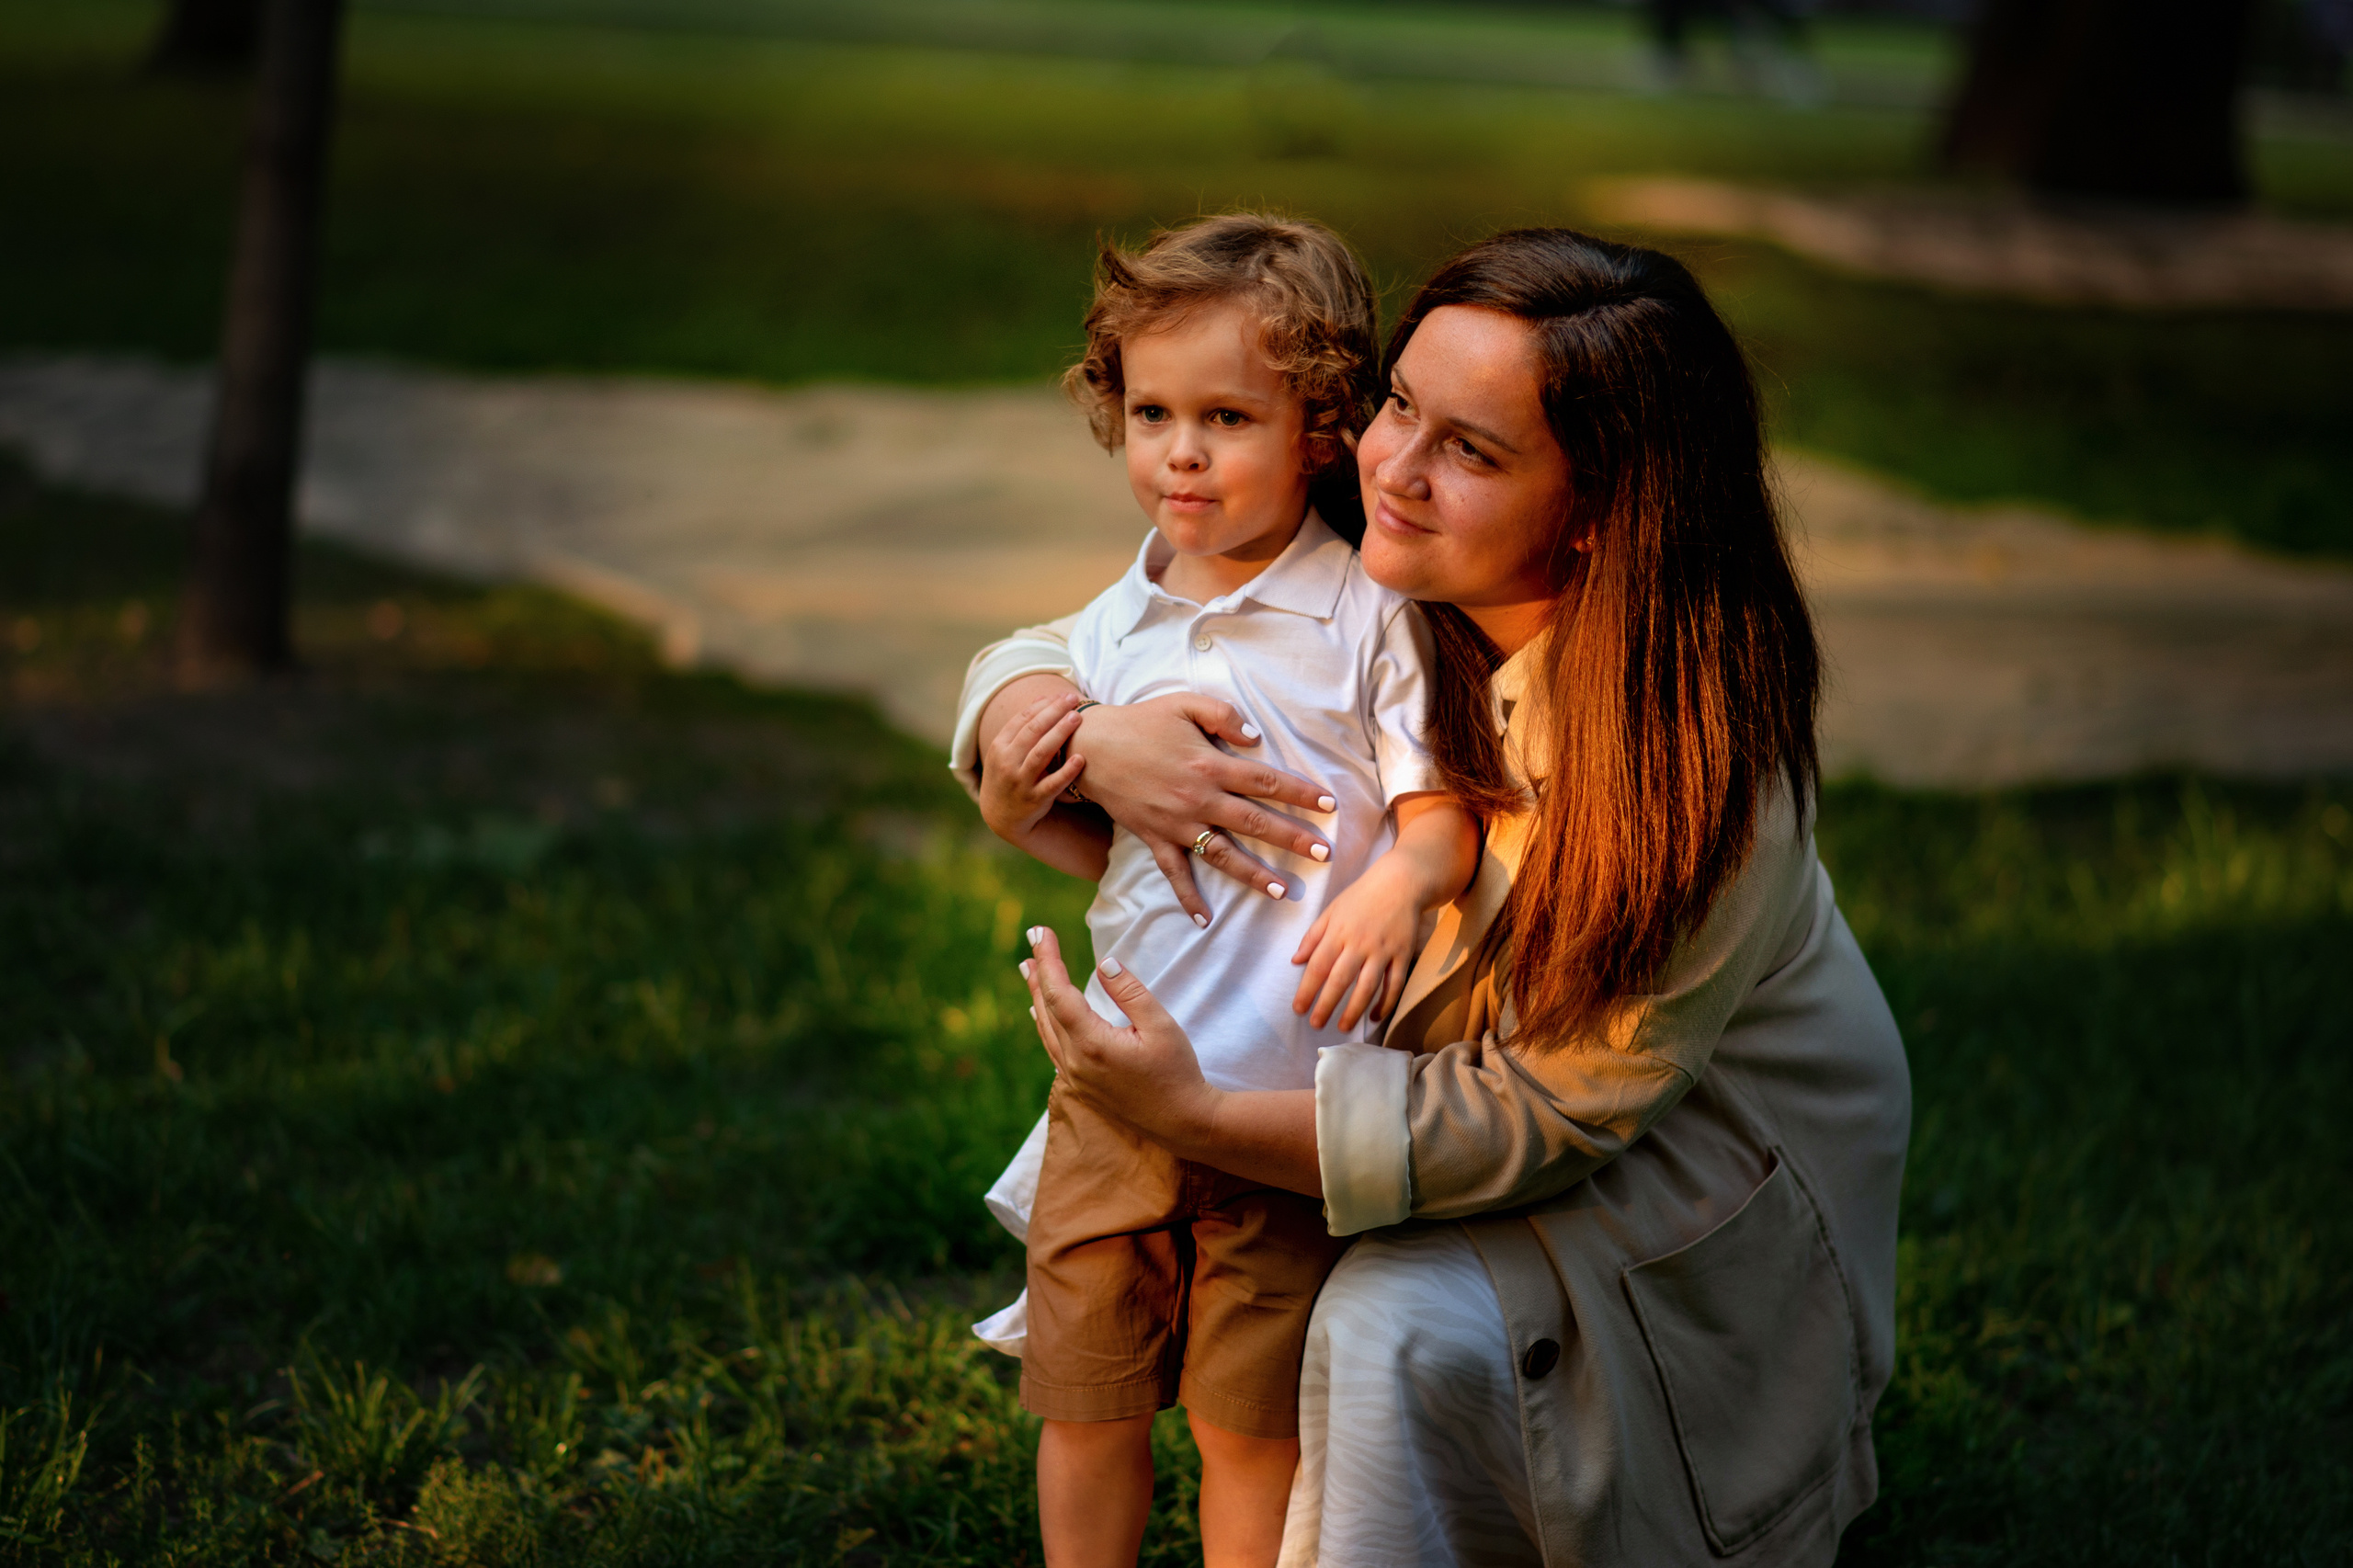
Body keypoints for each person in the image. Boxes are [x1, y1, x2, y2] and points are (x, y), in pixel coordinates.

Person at [961, 227, 1912, 1565]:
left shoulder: (1692, 771)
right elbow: (1076, 634)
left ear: (1599, 511)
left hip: (1689, 1174)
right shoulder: (1376, 530)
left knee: (1374, 1317)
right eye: (1401, 402)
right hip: (1413, 1110)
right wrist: (1070, 734)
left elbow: (1548, 1108)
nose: (1391, 464)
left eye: (1471, 447)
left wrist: (1202, 1116)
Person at [968, 211, 1480, 1568]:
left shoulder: (1368, 615)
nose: (1178, 451)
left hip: (1286, 1097)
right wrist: (1031, 786)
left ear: (1321, 426)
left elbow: (1438, 817)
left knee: (1251, 1425)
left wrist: (1397, 890)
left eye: (1226, 416)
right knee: (1085, 1396)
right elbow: (1067, 808)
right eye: (1149, 411)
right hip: (1113, 1079)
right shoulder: (1118, 615)